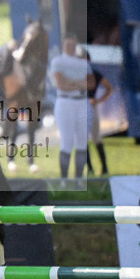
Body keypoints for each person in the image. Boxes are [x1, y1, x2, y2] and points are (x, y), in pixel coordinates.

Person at [48, 32, 95, 178]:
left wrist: (73, 82)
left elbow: (91, 84)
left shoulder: (83, 63)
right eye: (68, 45)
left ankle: (79, 178)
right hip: (65, 102)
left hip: (82, 102)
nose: (71, 47)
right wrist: (80, 83)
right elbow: (61, 84)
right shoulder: (58, 61)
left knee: (82, 142)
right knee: (67, 142)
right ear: (63, 45)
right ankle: (64, 178)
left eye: (73, 45)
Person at [79, 48, 113, 175]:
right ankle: (90, 168)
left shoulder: (95, 74)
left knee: (96, 137)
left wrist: (98, 100)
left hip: (91, 107)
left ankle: (104, 167)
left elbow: (109, 88)